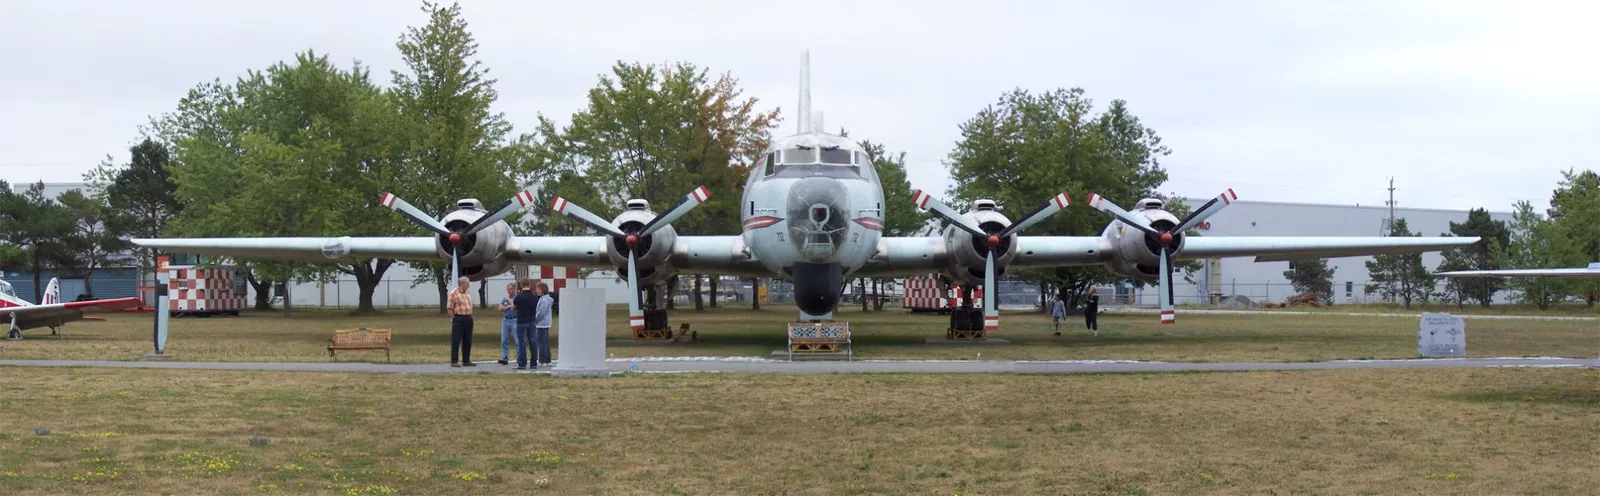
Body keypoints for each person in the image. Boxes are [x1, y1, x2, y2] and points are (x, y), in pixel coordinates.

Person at [447, 277, 476, 367]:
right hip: (459, 318)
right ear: (462, 284)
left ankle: (466, 360)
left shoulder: (467, 293)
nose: (469, 285)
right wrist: (453, 318)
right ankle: (454, 360)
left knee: (468, 340)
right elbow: (449, 308)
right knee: (456, 340)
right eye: (467, 283)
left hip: (468, 318)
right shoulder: (454, 293)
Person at [511, 280, 540, 370]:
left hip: (521, 321)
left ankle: (522, 364)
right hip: (532, 320)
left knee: (522, 343)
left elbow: (513, 307)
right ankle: (534, 363)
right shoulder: (534, 296)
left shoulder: (519, 297)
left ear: (521, 285)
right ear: (530, 285)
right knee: (533, 342)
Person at [532, 282, 555, 367]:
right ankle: (547, 360)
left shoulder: (544, 300)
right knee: (545, 342)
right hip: (544, 323)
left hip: (542, 323)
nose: (536, 291)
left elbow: (541, 313)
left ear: (543, 290)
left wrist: (535, 319)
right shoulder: (544, 299)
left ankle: (542, 360)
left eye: (538, 289)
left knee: (542, 342)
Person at [497, 282, 519, 365]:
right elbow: (500, 308)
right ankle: (505, 357)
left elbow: (516, 306)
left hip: (514, 320)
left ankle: (519, 357)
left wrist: (510, 302)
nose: (508, 291)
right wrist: (509, 306)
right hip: (505, 321)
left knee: (517, 340)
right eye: (507, 289)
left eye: (509, 289)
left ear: (514, 289)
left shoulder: (517, 297)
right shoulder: (505, 298)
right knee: (504, 340)